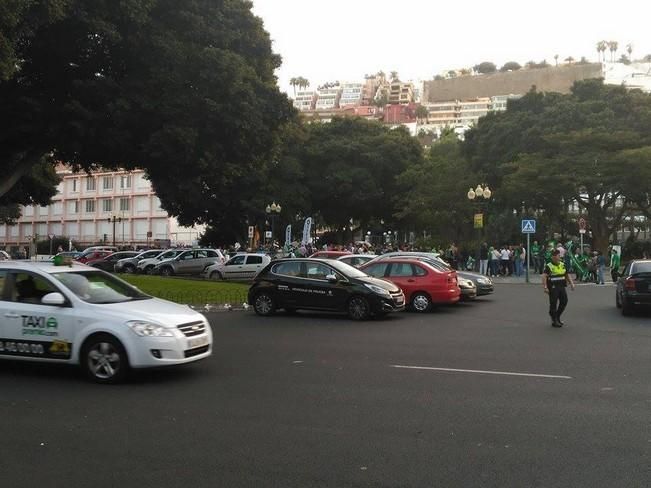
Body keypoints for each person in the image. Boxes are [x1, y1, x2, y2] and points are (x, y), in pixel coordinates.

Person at [542, 249, 575, 327]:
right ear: (553, 257)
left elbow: (567, 274)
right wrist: (545, 287)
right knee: (553, 303)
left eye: (559, 255)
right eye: (558, 255)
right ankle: (554, 320)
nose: (559, 257)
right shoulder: (549, 266)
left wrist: (571, 283)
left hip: (561, 286)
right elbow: (544, 276)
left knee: (564, 301)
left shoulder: (562, 264)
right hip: (553, 287)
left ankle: (557, 316)